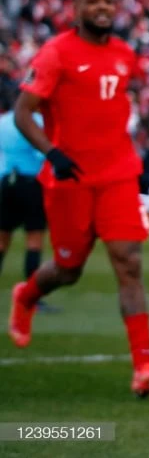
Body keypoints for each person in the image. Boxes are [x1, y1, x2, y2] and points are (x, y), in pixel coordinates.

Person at [7, 0, 149, 397]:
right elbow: (23, 112)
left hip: (116, 176)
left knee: (128, 262)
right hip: (70, 181)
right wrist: (53, 154)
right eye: (92, 1)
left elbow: (115, 113)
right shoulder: (55, 54)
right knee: (68, 269)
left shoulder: (124, 55)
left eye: (108, 1)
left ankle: (143, 367)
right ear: (76, 8)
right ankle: (26, 295)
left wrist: (134, 166)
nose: (102, 7)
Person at [0, 109, 59, 312]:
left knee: (2, 239)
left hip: (6, 183)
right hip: (31, 183)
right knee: (34, 240)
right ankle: (32, 298)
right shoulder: (37, 122)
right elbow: (42, 152)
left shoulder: (4, 122)